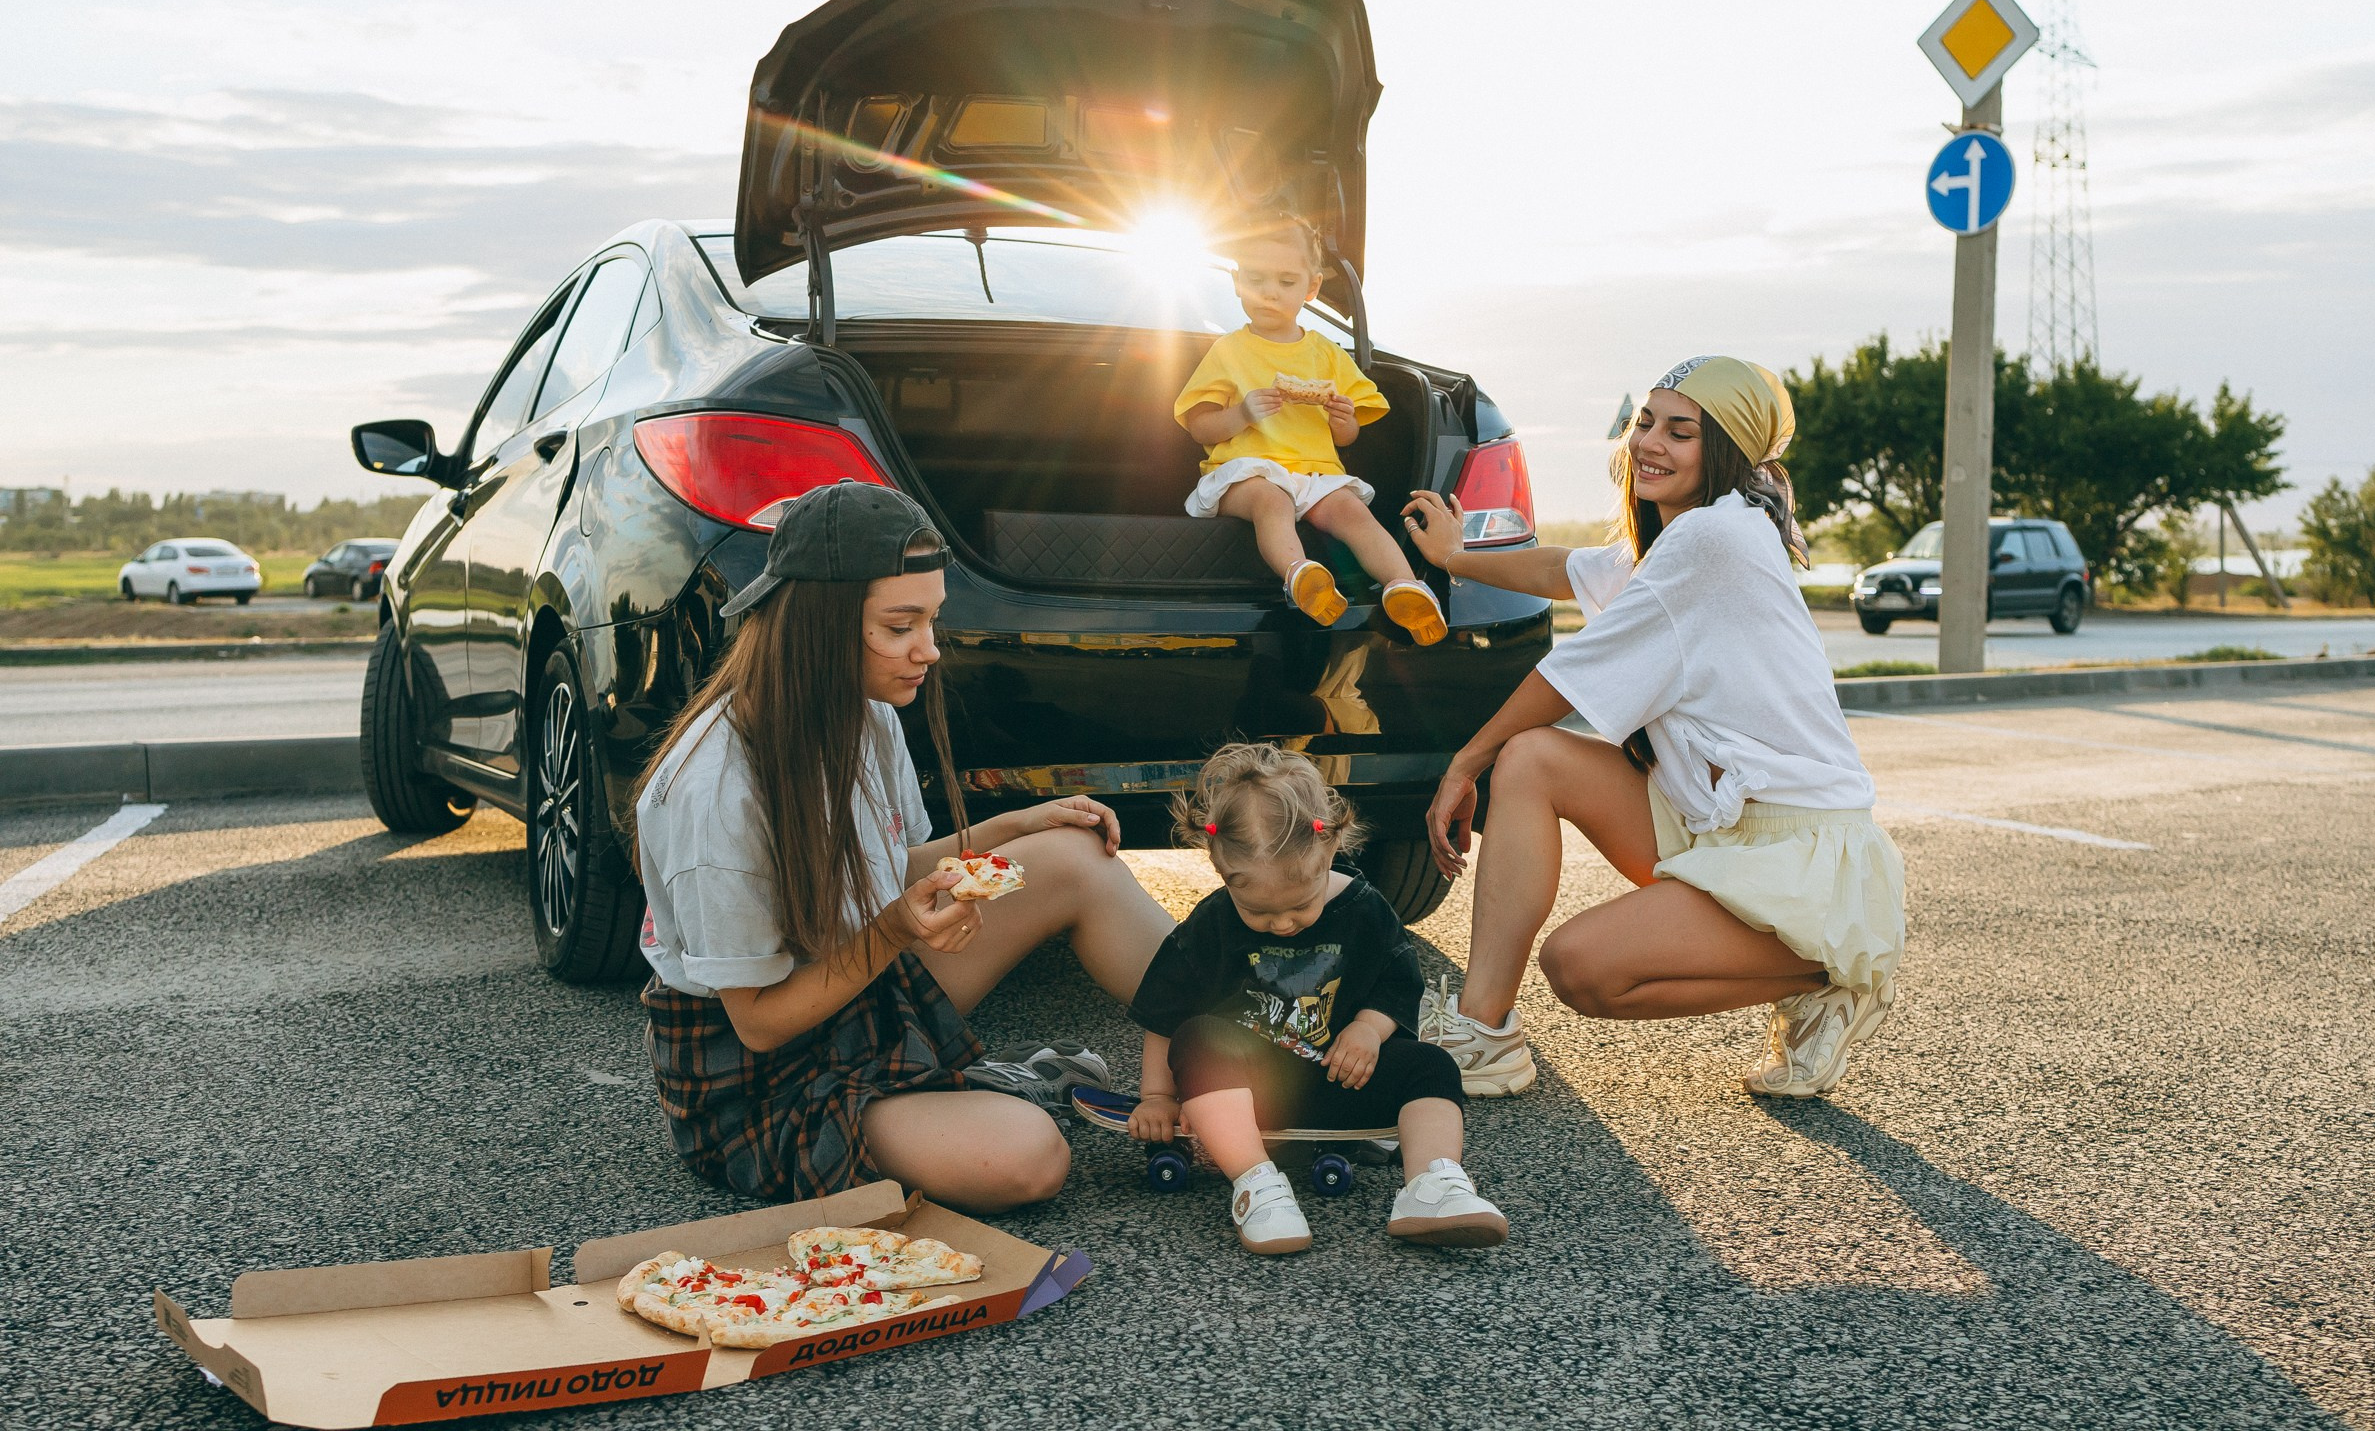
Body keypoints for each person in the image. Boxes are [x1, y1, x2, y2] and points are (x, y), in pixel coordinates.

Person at [632, 480, 1173, 1211]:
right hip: (765, 1077)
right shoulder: (716, 792)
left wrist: (1013, 827)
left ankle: (1250, 1043)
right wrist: (894, 929)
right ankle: (976, 1089)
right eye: (899, 626)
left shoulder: (864, 710)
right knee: (1028, 1157)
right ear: (818, 626)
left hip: (859, 985)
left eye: (931, 620)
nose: (929, 650)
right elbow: (757, 1022)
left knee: (1075, 856)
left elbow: (888, 870)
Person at [1399, 355, 1907, 1099]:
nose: (1649, 443)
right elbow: (1564, 569)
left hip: (1797, 850)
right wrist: (1455, 556)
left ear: (1726, 450)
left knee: (1581, 968)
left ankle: (1827, 972)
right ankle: (1484, 1031)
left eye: (1681, 431)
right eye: (1645, 423)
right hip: (1718, 823)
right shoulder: (1686, 538)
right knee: (1533, 759)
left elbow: (1570, 674)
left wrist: (1465, 762)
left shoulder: (1714, 540)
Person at [1124, 743, 1507, 1255]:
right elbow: (1165, 1012)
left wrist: (1369, 1029)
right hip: (1243, 1092)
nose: (1282, 924)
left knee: (1432, 1065)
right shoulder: (1212, 923)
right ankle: (1257, 1183)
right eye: (1259, 913)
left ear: (1329, 850)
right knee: (1199, 1037)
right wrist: (1157, 1096)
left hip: (1341, 1077)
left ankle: (1432, 1184)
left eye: (1300, 906)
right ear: (1220, 871)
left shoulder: (1365, 910)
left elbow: (1396, 983)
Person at [1172, 216, 1448, 646]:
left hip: (1317, 475)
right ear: (1238, 282)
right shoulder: (1227, 351)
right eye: (1256, 279)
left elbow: (1347, 437)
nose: (1269, 292)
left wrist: (1344, 421)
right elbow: (1198, 426)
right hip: (1245, 473)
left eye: (1286, 281)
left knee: (1353, 513)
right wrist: (1241, 414)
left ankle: (1405, 587)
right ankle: (1301, 576)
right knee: (1272, 501)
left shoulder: (1326, 353)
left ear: (1312, 287)